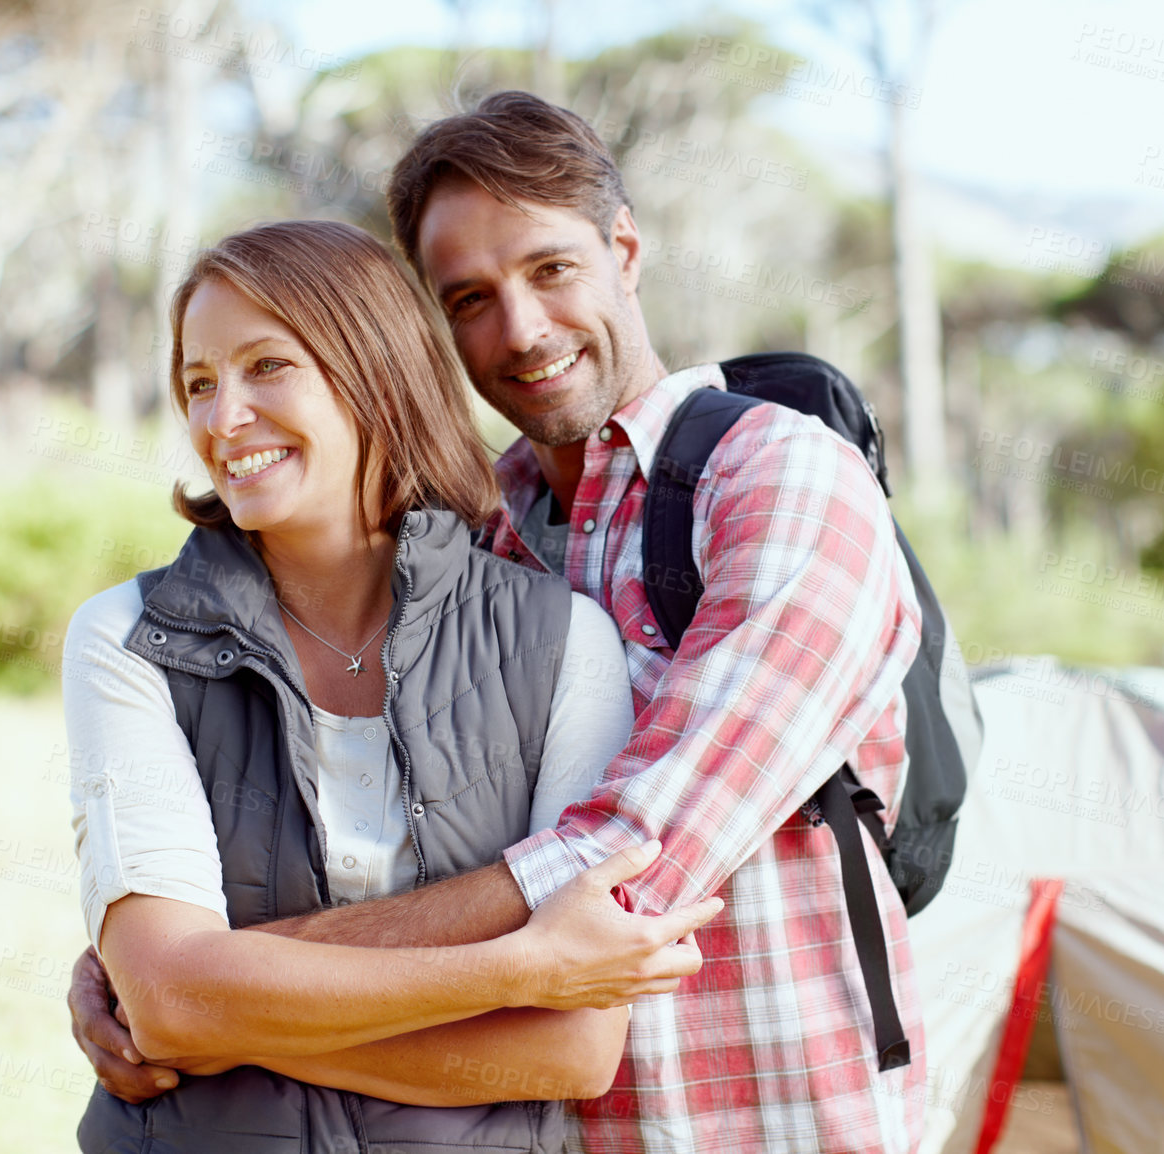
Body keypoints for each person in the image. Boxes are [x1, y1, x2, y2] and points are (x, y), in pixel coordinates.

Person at [73, 91, 926, 1153]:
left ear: (623, 248)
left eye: (550, 269)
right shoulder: (479, 531)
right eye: (469, 297)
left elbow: (626, 857)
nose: (518, 329)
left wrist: (199, 982)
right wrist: (171, 975)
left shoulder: (780, 479)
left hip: (770, 1114)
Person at [62, 218, 723, 1154]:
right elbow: (167, 1001)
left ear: (374, 369)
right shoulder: (131, 639)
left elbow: (572, 1050)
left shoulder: (562, 639)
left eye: (266, 367)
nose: (221, 418)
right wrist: (517, 969)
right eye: (200, 383)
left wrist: (227, 1016)